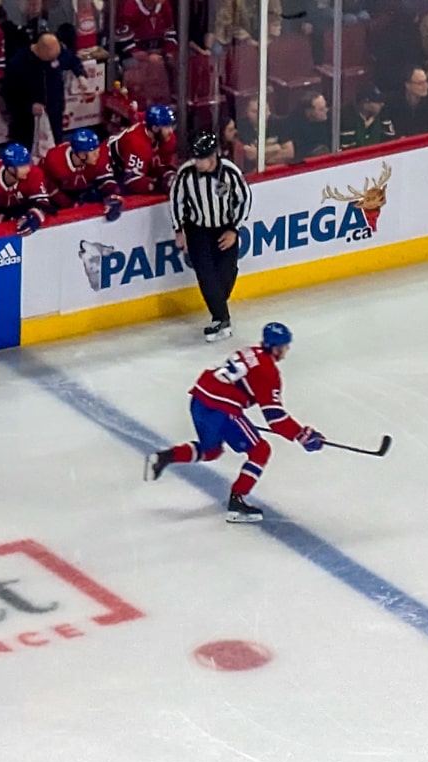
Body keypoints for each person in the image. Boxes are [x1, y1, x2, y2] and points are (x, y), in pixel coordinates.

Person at [143, 321, 324, 526]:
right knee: (260, 450)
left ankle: (165, 457)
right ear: (276, 347)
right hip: (221, 409)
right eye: (284, 346)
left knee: (211, 450)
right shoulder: (268, 372)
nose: (286, 350)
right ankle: (237, 502)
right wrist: (302, 435)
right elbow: (275, 418)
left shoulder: (250, 351)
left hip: (199, 400)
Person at [168, 129, 251, 341]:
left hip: (225, 227)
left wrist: (234, 229)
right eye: (195, 158)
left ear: (213, 155)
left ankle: (219, 314)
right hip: (198, 230)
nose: (197, 163)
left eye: (201, 158)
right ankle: (221, 320)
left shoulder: (230, 172)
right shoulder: (186, 174)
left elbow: (244, 199)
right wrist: (179, 229)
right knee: (206, 274)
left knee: (226, 273)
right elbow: (176, 200)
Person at [1, 30, 85, 148]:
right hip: (26, 121)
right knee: (27, 150)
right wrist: (28, 106)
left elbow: (72, 60)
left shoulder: (58, 52)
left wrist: (80, 75)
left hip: (54, 112)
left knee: (56, 148)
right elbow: (8, 92)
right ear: (41, 51)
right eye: (51, 58)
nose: (54, 60)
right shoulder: (18, 62)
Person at [44, 126, 123, 215]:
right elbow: (48, 186)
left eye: (98, 150)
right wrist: (71, 205)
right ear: (81, 155)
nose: (98, 155)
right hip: (64, 194)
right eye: (94, 153)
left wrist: (112, 196)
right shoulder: (54, 160)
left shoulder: (100, 157)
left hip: (87, 189)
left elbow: (107, 180)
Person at [0, 141, 50, 229]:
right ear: (10, 168)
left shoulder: (35, 174)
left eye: (28, 163)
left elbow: (43, 204)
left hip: (22, 209)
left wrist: (35, 216)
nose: (28, 169)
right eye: (22, 166)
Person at [111, 101, 177, 195]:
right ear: (155, 128)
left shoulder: (167, 138)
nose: (171, 131)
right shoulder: (137, 143)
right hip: (112, 166)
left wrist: (168, 176)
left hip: (137, 163)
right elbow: (131, 181)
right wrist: (157, 186)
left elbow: (163, 165)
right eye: (166, 127)